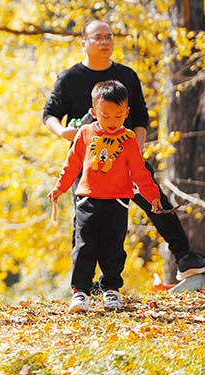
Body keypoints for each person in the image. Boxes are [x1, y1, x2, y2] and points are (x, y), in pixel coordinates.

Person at [43, 20, 205, 281]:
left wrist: (133, 152)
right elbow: (50, 114)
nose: (105, 42)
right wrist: (63, 132)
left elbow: (140, 119)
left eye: (109, 37)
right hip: (88, 161)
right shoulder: (70, 78)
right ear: (84, 43)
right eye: (98, 37)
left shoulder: (127, 76)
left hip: (125, 154)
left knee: (156, 200)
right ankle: (82, 285)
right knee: (84, 220)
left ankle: (184, 257)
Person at [49, 80, 164, 312]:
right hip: (87, 200)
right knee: (84, 246)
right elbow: (71, 165)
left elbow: (140, 171)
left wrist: (153, 195)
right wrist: (60, 188)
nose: (112, 121)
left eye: (118, 116)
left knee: (113, 248)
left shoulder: (129, 139)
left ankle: (111, 290)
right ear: (94, 112)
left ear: (127, 112)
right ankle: (80, 292)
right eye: (106, 116)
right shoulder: (84, 133)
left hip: (118, 201)